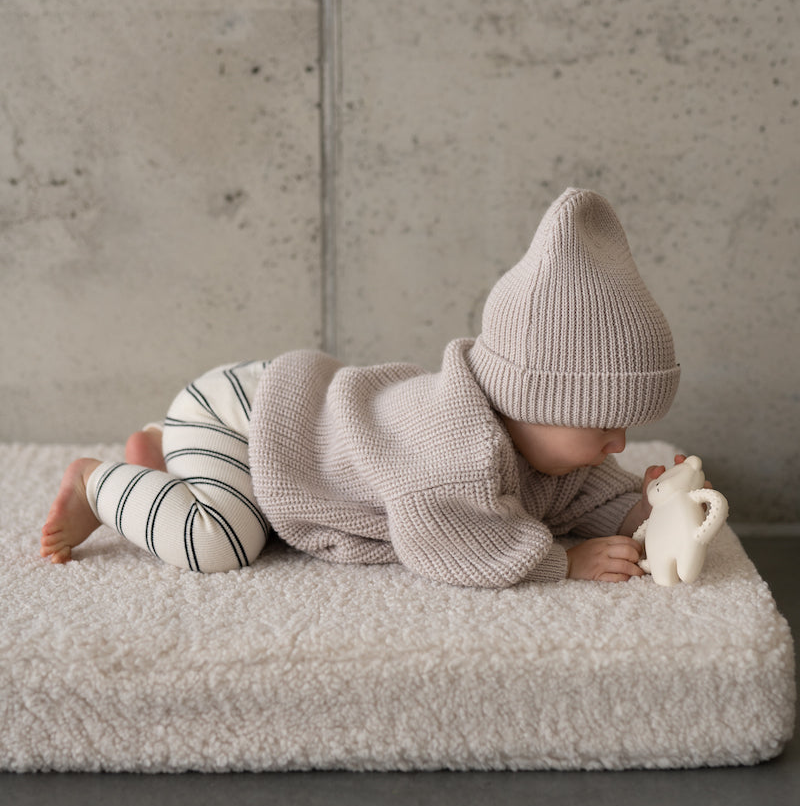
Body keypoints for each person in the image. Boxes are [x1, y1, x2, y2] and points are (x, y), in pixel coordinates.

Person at [41, 188, 686, 585]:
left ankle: (163, 452)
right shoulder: (453, 461)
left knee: (241, 520)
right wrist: (561, 566)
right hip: (246, 422)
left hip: (279, 417)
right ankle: (98, 483)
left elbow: (576, 491)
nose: (618, 440)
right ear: (533, 399)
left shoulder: (532, 433)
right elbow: (452, 544)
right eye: (602, 424)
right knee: (223, 545)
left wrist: (648, 507)